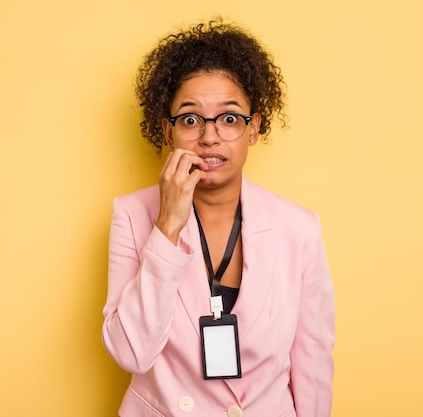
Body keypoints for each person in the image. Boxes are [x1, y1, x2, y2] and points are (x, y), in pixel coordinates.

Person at [102, 17, 335, 417]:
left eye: (229, 118)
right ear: (168, 130)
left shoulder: (299, 229)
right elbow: (131, 353)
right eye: (190, 119)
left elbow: (312, 362)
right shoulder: (132, 215)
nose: (209, 137)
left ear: (254, 128)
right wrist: (167, 227)